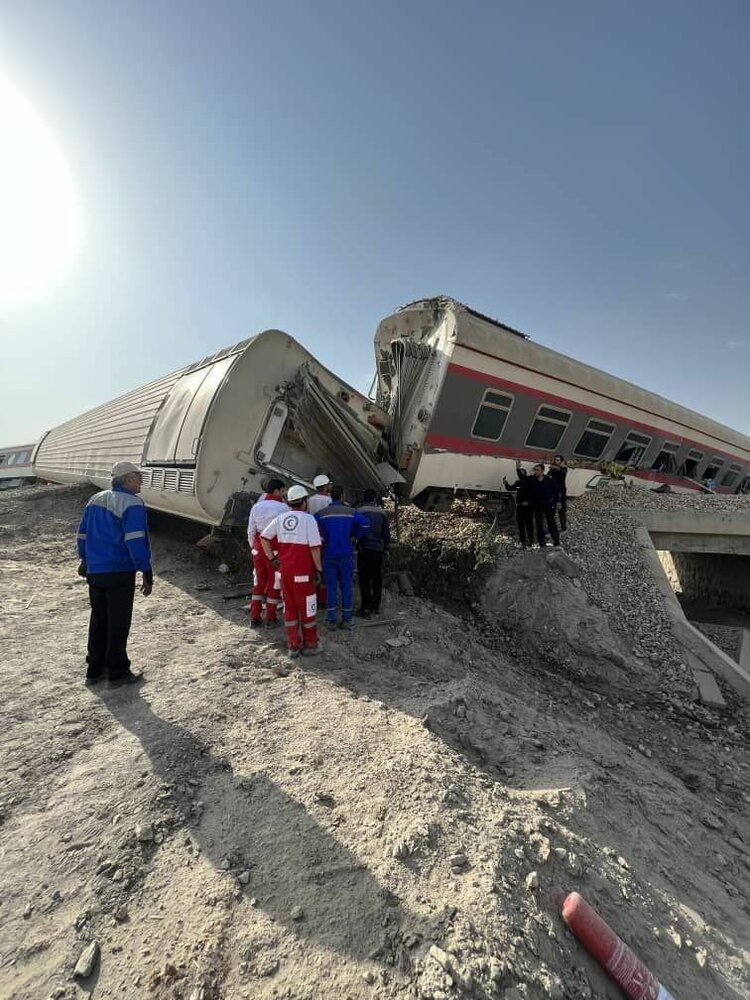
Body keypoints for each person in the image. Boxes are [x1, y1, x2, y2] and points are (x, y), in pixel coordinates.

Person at [76, 461, 152, 687]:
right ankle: (117, 673)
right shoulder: (132, 503)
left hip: (96, 571)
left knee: (99, 619)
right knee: (118, 622)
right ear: (127, 479)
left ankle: (94, 670)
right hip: (119, 571)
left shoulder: (95, 500)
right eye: (139, 477)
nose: (141, 481)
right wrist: (146, 570)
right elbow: (135, 540)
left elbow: (82, 534)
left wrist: (84, 560)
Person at [260, 485, 323, 659]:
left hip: (284, 573)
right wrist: (319, 569)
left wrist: (272, 559)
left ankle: (292, 645)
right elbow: (315, 548)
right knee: (308, 609)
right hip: (304, 574)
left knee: (290, 609)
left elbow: (264, 537)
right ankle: (311, 644)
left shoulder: (281, 519)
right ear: (303, 502)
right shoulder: (308, 520)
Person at [315, 485, 369, 630]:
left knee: (331, 586)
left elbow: (312, 527)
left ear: (330, 495)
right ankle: (347, 619)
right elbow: (365, 524)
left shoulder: (322, 513)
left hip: (328, 553)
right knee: (346, 585)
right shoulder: (351, 512)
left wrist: (321, 538)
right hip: (346, 553)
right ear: (343, 496)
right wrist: (355, 537)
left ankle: (331, 619)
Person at [246, 478, 288, 628]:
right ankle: (270, 617)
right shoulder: (284, 509)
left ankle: (254, 616)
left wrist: (254, 549)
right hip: (275, 551)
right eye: (283, 491)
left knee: (258, 583)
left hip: (258, 549)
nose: (283, 494)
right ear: (277, 490)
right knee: (274, 583)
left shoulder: (257, 507)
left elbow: (251, 531)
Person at [356, 489, 391, 615]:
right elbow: (386, 534)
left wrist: (357, 545)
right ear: (375, 499)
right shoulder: (382, 513)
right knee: (377, 579)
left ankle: (365, 607)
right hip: (378, 551)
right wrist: (386, 548)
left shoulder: (359, 512)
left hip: (364, 550)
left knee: (364, 579)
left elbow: (356, 530)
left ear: (364, 498)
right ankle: (376, 606)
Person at [503, 464, 534, 548]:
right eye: (520, 473)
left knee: (528, 525)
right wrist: (506, 484)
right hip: (520, 507)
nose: (520, 474)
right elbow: (510, 488)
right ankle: (523, 541)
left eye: (522, 473)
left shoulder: (529, 482)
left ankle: (530, 542)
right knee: (521, 525)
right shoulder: (518, 483)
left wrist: (529, 502)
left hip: (528, 507)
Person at [530, 463, 560, 547]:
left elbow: (556, 491)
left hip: (548, 504)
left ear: (542, 471)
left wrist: (556, 502)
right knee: (539, 523)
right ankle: (541, 542)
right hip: (537, 505)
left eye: (537, 470)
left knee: (551, 523)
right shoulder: (533, 479)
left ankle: (556, 541)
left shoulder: (549, 480)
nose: (536, 472)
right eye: (535, 470)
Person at [548, 454, 569, 531]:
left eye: (557, 460)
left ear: (561, 461)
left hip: (560, 492)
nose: (556, 461)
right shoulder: (552, 469)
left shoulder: (563, 469)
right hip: (552, 492)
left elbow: (563, 471)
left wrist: (556, 467)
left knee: (562, 510)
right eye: (555, 460)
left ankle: (563, 527)